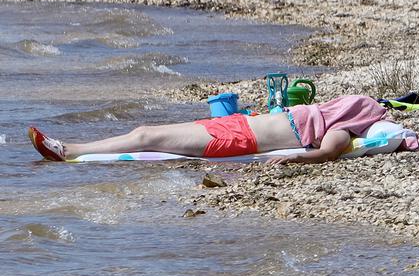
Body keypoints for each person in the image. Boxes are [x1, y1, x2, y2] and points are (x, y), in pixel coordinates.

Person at [28, 93, 391, 166]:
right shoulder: (322, 113)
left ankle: (69, 150)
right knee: (145, 129)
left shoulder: (340, 130)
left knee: (147, 137)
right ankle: (70, 147)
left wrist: (293, 160)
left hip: (237, 138)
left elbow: (326, 153)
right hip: (236, 125)